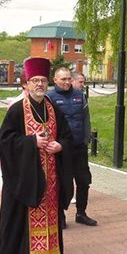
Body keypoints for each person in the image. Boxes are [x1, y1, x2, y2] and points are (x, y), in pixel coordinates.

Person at [0, 57, 73, 254]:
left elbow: (67, 136)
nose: (40, 84)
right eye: (35, 80)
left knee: (50, 212)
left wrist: (60, 146)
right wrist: (31, 142)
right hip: (26, 178)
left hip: (51, 178)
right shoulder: (17, 110)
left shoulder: (54, 109)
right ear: (26, 84)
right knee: (23, 214)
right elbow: (5, 141)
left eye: (43, 81)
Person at [47, 67, 97, 228]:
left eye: (69, 79)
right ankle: (60, 216)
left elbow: (86, 119)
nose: (67, 82)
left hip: (79, 147)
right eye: (63, 79)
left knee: (84, 181)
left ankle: (81, 213)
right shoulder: (50, 98)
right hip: (61, 149)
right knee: (61, 182)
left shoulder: (80, 96)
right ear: (55, 80)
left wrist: (86, 139)